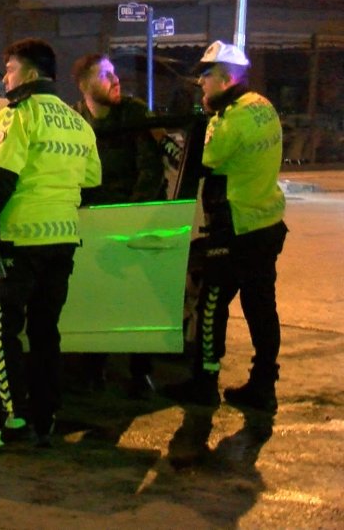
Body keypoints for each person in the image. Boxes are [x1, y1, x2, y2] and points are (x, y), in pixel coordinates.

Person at [0, 38, 101, 448]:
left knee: (2, 332)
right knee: (46, 332)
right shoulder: (77, 122)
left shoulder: (18, 115)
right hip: (62, 240)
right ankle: (47, 415)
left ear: (31, 74)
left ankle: (15, 422)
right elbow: (92, 180)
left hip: (20, 241)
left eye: (9, 68)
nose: (5, 77)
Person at [164, 40, 288, 412]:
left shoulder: (229, 119)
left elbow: (206, 160)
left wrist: (202, 120)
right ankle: (264, 383)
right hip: (266, 222)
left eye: (206, 77)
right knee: (261, 306)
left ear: (225, 78)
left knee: (212, 304)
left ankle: (205, 381)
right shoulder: (264, 106)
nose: (201, 84)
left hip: (234, 226)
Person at [71, 53, 166, 398]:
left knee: (136, 295)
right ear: (84, 85)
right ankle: (92, 367)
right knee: (93, 295)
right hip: (88, 218)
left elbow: (151, 169)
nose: (115, 80)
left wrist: (132, 216)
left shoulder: (134, 113)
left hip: (130, 217)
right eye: (105, 75)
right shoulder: (75, 120)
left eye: (114, 73)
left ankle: (141, 371)